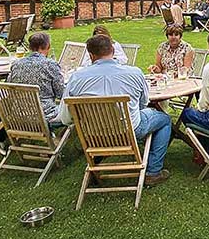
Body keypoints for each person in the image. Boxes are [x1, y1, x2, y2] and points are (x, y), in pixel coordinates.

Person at [58, 34, 173, 185]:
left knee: (142, 118)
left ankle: (95, 166)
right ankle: (153, 172)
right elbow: (144, 103)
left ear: (91, 55)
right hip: (129, 130)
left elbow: (65, 118)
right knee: (165, 120)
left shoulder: (76, 78)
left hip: (93, 134)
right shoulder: (134, 73)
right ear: (112, 50)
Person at [6, 31, 65, 124]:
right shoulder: (50, 65)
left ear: (30, 47)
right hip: (44, 115)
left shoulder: (16, 64)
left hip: (18, 114)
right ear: (48, 46)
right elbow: (61, 94)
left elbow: (10, 87)